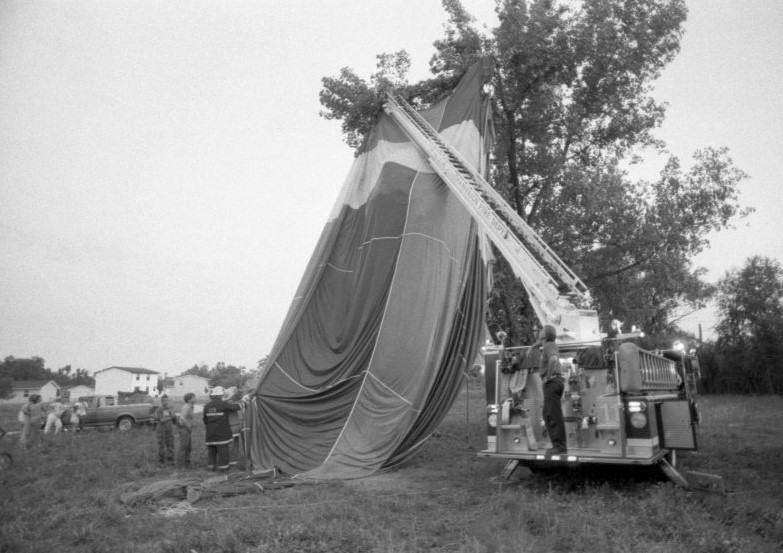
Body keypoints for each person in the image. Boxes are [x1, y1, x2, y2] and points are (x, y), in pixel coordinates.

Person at [535, 325, 567, 454]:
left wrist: (548, 376)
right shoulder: (547, 344)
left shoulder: (549, 345)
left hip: (552, 382)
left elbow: (554, 359)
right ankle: (557, 445)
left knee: (553, 415)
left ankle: (560, 446)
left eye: (542, 330)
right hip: (554, 382)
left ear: (546, 334)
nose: (539, 331)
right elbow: (538, 342)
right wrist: (532, 348)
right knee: (548, 414)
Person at [203, 386, 240, 472]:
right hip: (222, 434)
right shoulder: (223, 404)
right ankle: (223, 469)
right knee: (223, 451)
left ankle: (210, 468)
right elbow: (236, 407)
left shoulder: (207, 406)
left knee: (212, 451)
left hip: (210, 434)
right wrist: (245, 401)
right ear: (220, 395)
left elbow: (205, 420)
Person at [224, 387, 245, 470]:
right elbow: (241, 405)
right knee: (233, 445)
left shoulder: (225, 403)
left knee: (232, 445)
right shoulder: (229, 404)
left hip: (231, 427)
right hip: (232, 427)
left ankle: (231, 462)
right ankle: (232, 463)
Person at [153, 395, 175, 464]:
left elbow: (173, 417)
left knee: (170, 444)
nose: (166, 402)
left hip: (169, 429)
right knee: (161, 445)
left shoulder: (169, 408)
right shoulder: (159, 410)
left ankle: (170, 458)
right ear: (162, 401)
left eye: (167, 400)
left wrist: (172, 416)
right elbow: (162, 420)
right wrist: (171, 417)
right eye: (165, 400)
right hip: (161, 430)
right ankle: (161, 459)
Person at [176, 393, 196, 468]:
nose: (195, 399)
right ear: (189, 399)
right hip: (184, 429)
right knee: (183, 447)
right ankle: (180, 466)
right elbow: (182, 418)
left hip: (188, 430)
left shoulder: (191, 407)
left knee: (188, 447)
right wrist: (188, 426)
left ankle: (187, 464)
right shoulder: (186, 407)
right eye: (194, 398)